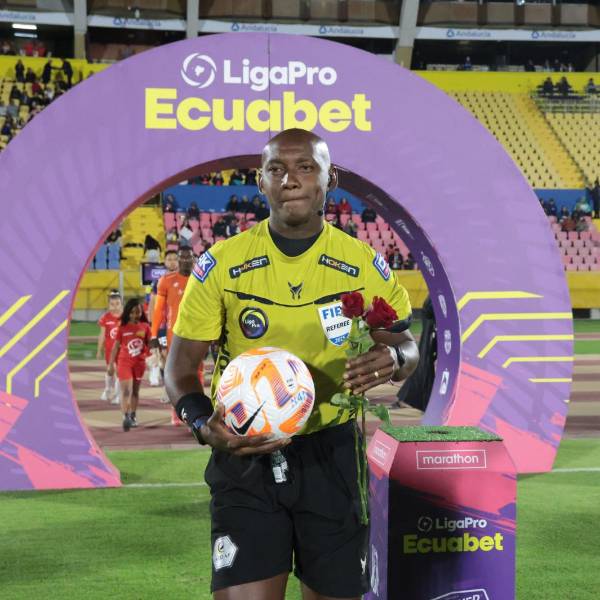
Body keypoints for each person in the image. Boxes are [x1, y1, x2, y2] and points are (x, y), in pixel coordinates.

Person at [165, 128, 419, 600]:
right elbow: (179, 368)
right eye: (277, 169)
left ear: (330, 178)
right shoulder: (221, 263)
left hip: (333, 455)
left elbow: (407, 346)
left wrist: (393, 357)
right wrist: (201, 422)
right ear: (260, 181)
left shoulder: (362, 263)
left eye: (305, 167)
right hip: (245, 455)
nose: (291, 179)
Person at [151, 246, 202, 424]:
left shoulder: (202, 278)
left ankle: (198, 412)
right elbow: (158, 310)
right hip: (174, 334)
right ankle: (177, 411)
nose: (186, 260)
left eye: (189, 257)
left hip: (197, 333)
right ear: (178, 259)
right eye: (182, 257)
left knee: (197, 373)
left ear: (194, 259)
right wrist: (154, 334)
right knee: (176, 373)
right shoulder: (166, 280)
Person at [108, 298, 151, 431]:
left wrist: (154, 354)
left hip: (139, 364)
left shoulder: (145, 327)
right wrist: (110, 365)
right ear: (128, 313)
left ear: (141, 312)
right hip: (124, 362)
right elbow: (116, 347)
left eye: (137, 312)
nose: (135, 315)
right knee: (126, 390)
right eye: (132, 312)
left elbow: (150, 344)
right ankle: (125, 416)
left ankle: (133, 415)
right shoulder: (122, 327)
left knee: (135, 391)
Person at [97, 290, 123, 405]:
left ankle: (118, 395)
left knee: (119, 372)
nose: (115, 307)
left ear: (121, 304)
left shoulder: (126, 318)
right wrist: (99, 350)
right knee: (110, 370)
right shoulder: (105, 318)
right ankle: (107, 389)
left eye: (117, 304)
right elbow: (102, 335)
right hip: (109, 351)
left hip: (122, 350)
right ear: (108, 305)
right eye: (112, 304)